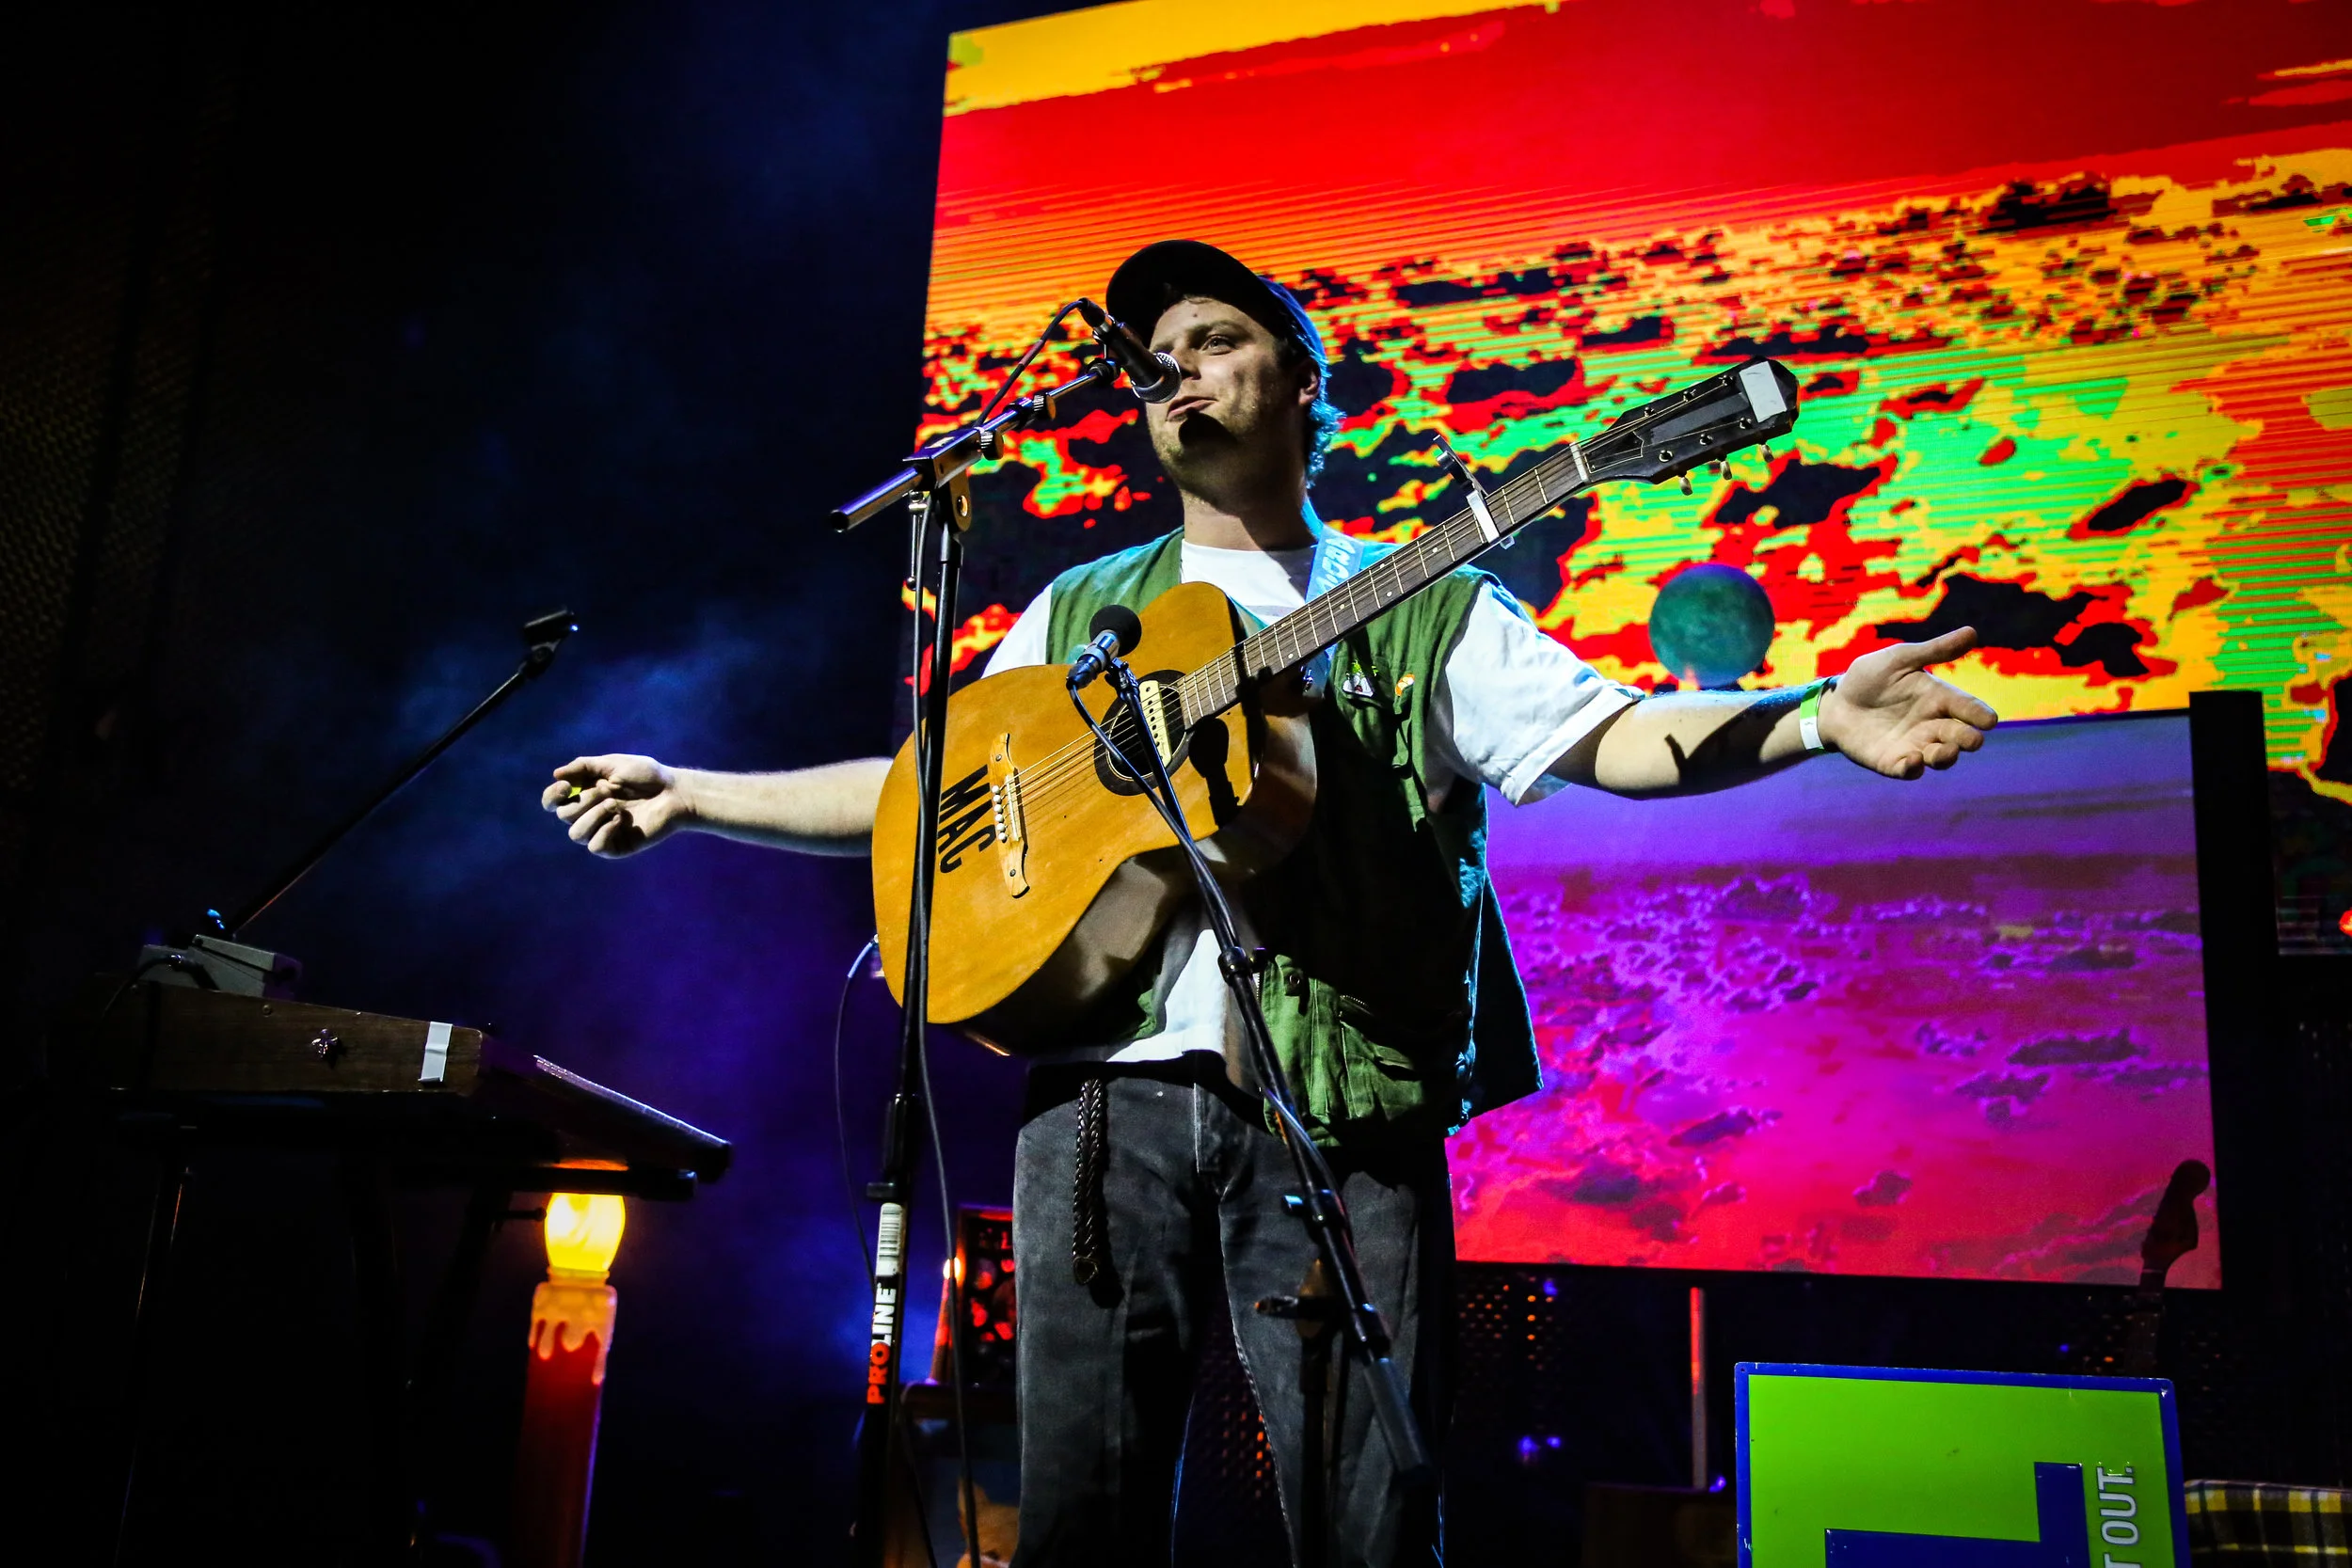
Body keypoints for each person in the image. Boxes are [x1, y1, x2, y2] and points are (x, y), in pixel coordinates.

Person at [542, 240, 1998, 1567]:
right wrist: (695, 791)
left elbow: (1615, 737)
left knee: (1366, 1527)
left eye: (1215, 338)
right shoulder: (1082, 612)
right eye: (1156, 355)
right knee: (1079, 1528)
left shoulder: (1424, 601)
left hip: (1338, 1113)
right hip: (1099, 1113)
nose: (1174, 368)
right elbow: (934, 793)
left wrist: (1815, 716)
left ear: (1303, 382)